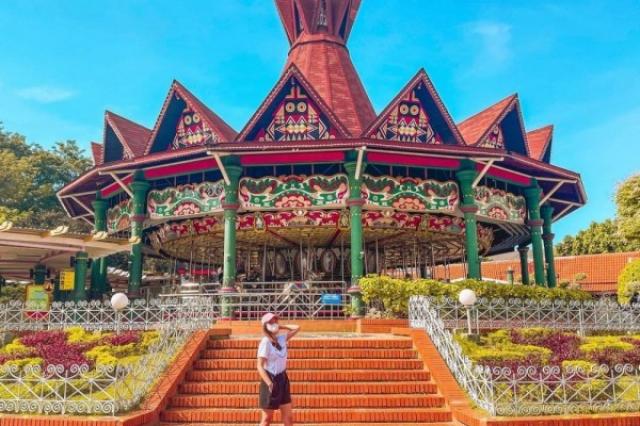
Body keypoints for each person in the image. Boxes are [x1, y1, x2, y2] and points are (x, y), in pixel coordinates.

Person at [257, 313, 300, 426]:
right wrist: (269, 383)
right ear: (265, 325)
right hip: (270, 379)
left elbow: (297, 328)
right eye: (270, 322)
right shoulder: (265, 342)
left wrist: (281, 326)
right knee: (267, 419)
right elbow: (259, 365)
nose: (274, 323)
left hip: (283, 379)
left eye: (275, 321)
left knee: (288, 419)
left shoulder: (282, 338)